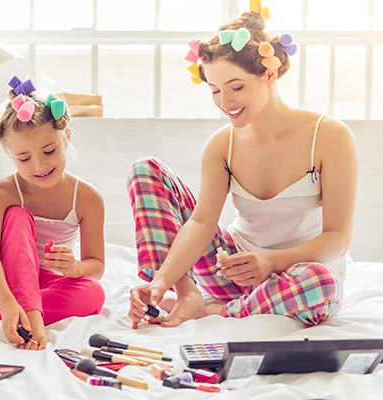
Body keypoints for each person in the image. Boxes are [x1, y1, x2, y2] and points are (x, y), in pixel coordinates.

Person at [127, 6, 358, 329]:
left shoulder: (330, 136)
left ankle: (217, 310)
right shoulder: (222, 144)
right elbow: (201, 222)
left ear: (269, 75)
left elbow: (338, 237)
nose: (225, 103)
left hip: (298, 274)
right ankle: (188, 294)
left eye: (236, 87)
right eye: (215, 91)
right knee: (145, 170)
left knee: (322, 285)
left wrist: (269, 263)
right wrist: (162, 280)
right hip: (232, 268)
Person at [0, 77, 106, 350]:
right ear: (10, 155)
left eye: (49, 150)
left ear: (66, 136)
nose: (40, 165)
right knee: (17, 215)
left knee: (94, 293)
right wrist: (6, 302)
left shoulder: (87, 198)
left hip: (48, 284)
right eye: (24, 158)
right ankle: (22, 314)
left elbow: (96, 264)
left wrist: (75, 268)